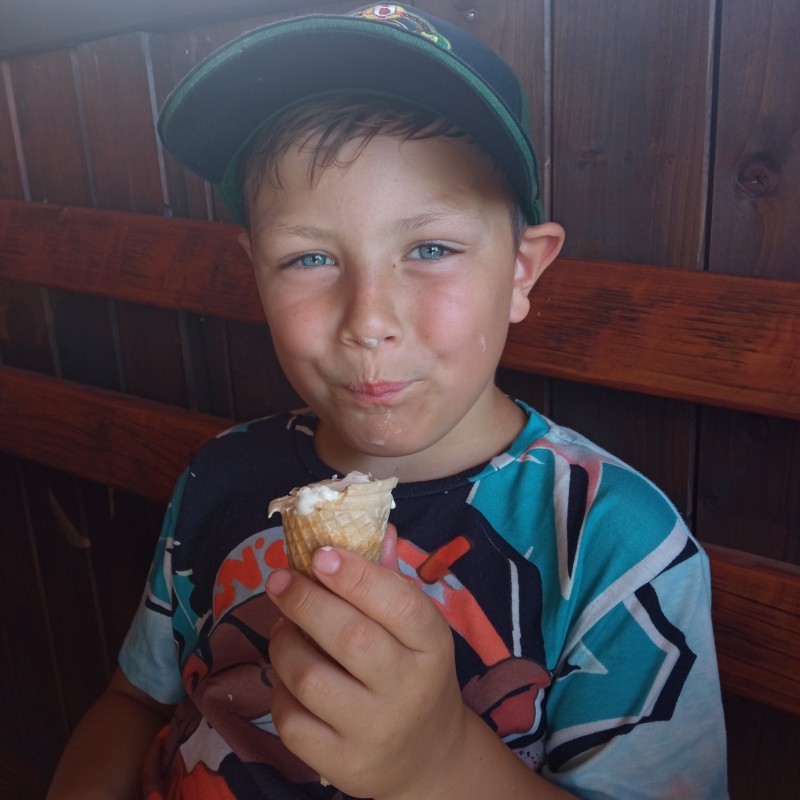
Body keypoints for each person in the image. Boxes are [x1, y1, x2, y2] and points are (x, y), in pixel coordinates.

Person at [47, 4, 728, 799]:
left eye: (431, 248)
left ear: (522, 270)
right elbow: (135, 702)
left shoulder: (615, 546)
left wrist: (441, 762)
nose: (368, 321)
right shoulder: (220, 476)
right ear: (255, 272)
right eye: (308, 258)